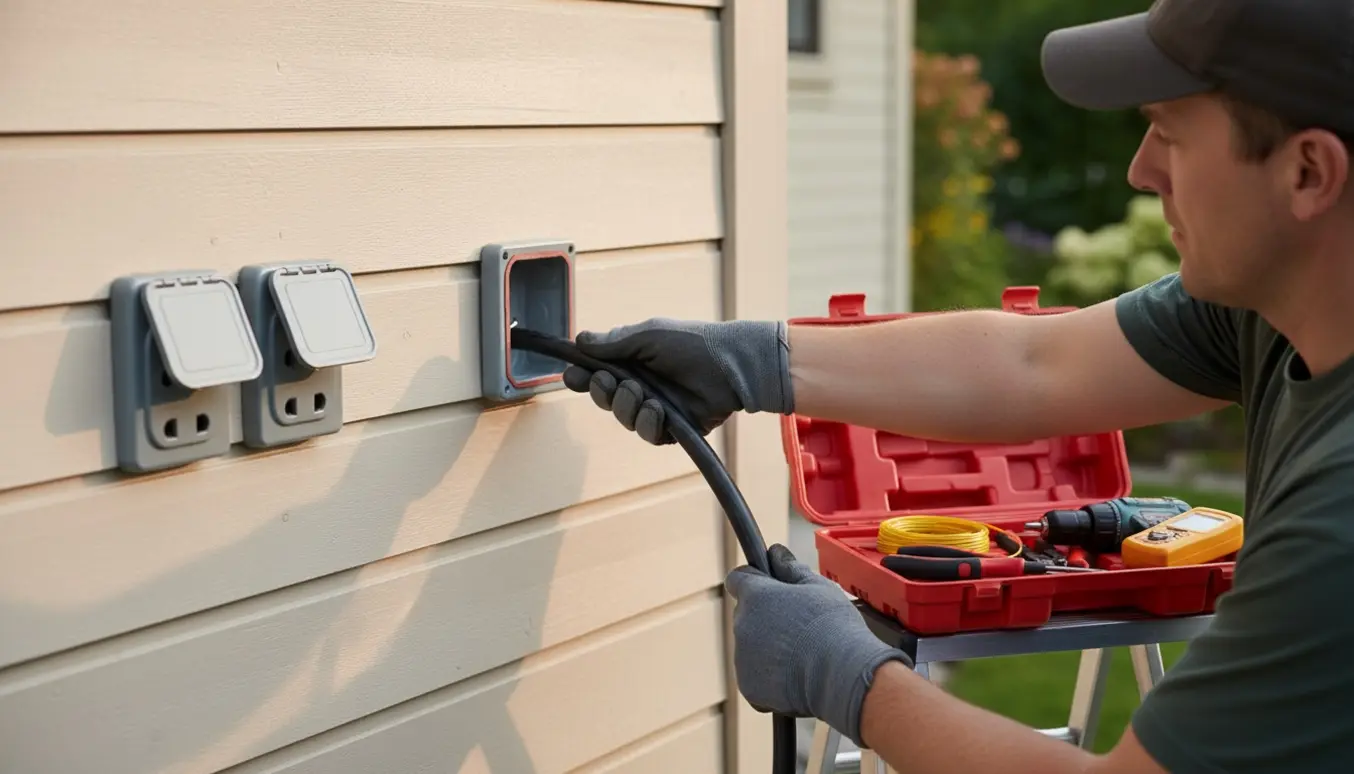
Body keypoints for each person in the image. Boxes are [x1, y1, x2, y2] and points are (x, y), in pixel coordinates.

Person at [562, 1, 1354, 772]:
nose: (1141, 169)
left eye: (1172, 132)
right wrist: (755, 363)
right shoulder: (1273, 303)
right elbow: (1034, 364)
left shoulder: (1335, 532)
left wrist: (851, 679)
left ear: (1308, 172)